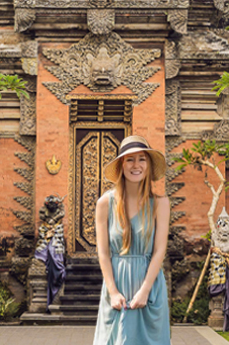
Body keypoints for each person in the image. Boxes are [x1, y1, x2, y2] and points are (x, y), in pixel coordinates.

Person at [93, 135, 171, 345]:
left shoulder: (160, 204)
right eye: (130, 159)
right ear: (121, 164)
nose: (136, 165)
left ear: (148, 165)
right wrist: (113, 291)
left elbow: (159, 250)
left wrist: (145, 291)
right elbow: (103, 253)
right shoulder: (104, 203)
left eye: (141, 159)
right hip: (116, 285)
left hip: (149, 286)